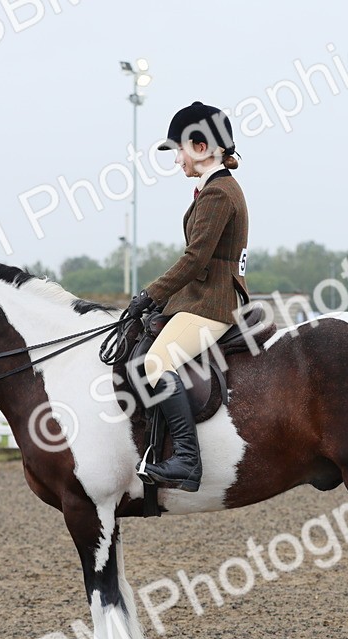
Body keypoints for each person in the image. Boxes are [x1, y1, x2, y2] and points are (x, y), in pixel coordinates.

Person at [124, 101, 249, 492]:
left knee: (156, 363)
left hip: (213, 302)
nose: (177, 159)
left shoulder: (219, 194)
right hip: (201, 297)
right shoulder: (212, 189)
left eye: (179, 149)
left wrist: (149, 294)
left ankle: (186, 460)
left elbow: (195, 259)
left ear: (201, 146)